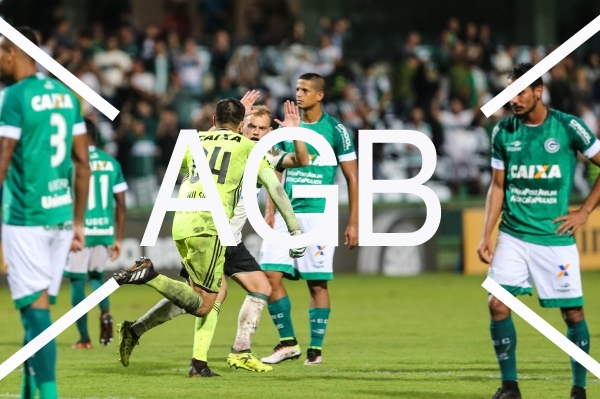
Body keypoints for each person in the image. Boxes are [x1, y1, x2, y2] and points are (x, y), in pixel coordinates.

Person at [114, 97, 307, 378]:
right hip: (214, 228)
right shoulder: (251, 153)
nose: (255, 132)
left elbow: (182, 169)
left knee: (235, 291)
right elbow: (277, 190)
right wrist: (296, 231)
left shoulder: (202, 141)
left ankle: (194, 356)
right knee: (205, 302)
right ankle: (150, 279)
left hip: (189, 221)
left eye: (261, 128)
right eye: (250, 125)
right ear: (242, 126)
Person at [477, 63, 600, 399]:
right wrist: (486, 233)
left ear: (538, 91)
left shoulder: (567, 126)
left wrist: (585, 211)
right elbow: (498, 186)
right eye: (508, 93)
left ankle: (579, 389)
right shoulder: (503, 132)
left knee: (573, 313)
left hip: (554, 237)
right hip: (514, 235)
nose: (513, 100)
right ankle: (509, 387)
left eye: (519, 92)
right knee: (497, 305)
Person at [0, 26, 90, 399]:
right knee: (35, 312)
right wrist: (80, 224)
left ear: (11, 53)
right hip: (62, 218)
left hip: (26, 218)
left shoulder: (15, 97)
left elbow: (2, 162)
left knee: (37, 316)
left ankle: (48, 395)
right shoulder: (67, 97)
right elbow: (82, 164)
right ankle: (26, 392)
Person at [260, 72, 359, 365]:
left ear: (319, 95)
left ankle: (315, 351)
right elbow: (275, 169)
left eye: (304, 89)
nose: (298, 94)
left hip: (319, 214)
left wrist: (354, 221)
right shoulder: (289, 126)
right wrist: (270, 210)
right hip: (287, 211)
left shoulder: (336, 130)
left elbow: (352, 177)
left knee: (316, 284)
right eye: (297, 88)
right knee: (269, 276)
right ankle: (287, 342)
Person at [65, 118, 127, 349]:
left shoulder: (71, 163)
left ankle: (84, 338)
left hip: (79, 230)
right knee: (96, 277)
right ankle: (105, 312)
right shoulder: (111, 163)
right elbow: (121, 203)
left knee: (77, 281)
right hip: (104, 231)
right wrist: (117, 238)